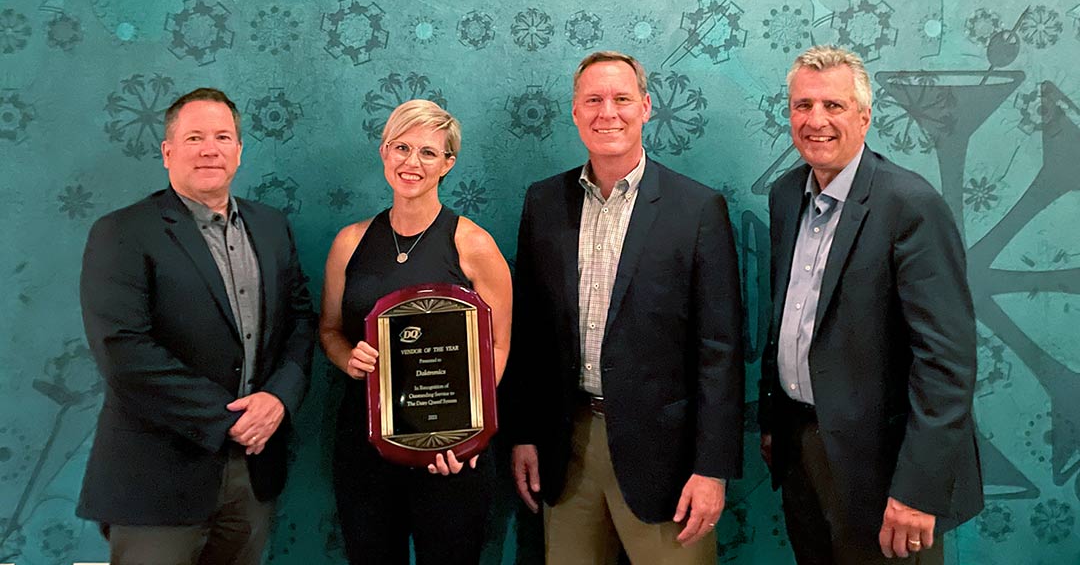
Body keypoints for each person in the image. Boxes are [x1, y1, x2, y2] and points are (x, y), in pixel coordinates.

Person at [501, 50, 744, 564]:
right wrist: (523, 434)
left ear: (646, 107)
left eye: (621, 99)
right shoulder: (543, 203)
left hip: (668, 459)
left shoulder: (697, 209)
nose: (607, 112)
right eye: (593, 100)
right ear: (575, 111)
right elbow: (530, 334)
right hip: (566, 448)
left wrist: (712, 468)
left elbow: (719, 351)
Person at [758, 45, 984, 565]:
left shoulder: (910, 205)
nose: (816, 120)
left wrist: (917, 490)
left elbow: (946, 363)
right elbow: (788, 318)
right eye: (802, 105)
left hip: (886, 470)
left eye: (833, 106)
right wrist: (774, 422)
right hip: (802, 448)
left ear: (864, 116)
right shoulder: (786, 195)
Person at [78, 87, 316, 563]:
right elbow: (123, 350)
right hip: (156, 479)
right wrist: (231, 419)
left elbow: (301, 321)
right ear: (167, 152)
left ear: (239, 151)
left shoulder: (271, 226)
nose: (210, 149)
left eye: (222, 137)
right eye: (195, 138)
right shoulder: (122, 231)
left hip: (253, 474)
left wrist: (278, 398)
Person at [319, 99, 512, 564]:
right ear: (384, 152)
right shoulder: (349, 242)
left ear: (448, 163)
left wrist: (465, 432)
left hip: (450, 455)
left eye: (428, 152)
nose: (412, 162)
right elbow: (329, 330)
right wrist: (348, 359)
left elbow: (499, 345)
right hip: (366, 443)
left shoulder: (474, 244)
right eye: (402, 147)